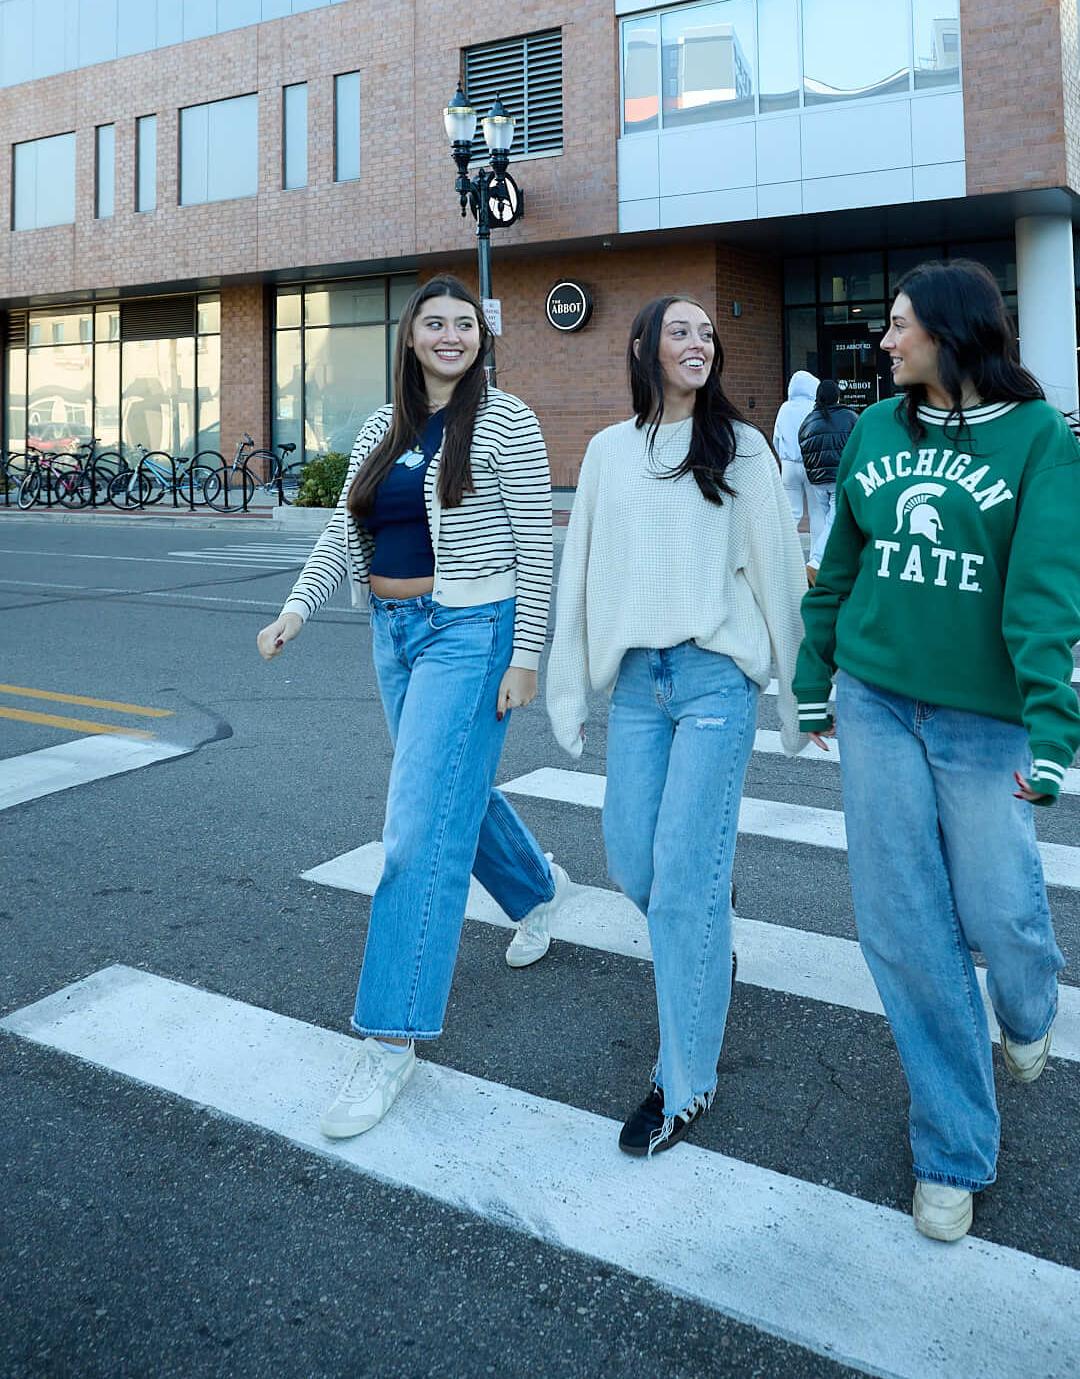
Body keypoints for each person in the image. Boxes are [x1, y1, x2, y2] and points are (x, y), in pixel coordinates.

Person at [793, 259, 1080, 1244]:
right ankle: (953, 1147)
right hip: (875, 698)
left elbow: (1047, 585)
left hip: (983, 717)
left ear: (952, 332)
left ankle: (1028, 1001)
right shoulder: (878, 429)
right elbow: (842, 563)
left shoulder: (1038, 439)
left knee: (1000, 909)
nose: (884, 340)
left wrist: (1051, 722)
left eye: (899, 324)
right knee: (904, 926)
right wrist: (812, 671)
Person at [256, 274, 573, 1142]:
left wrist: (527, 656)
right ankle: (539, 889)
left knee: (417, 827)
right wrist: (296, 609)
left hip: (471, 631)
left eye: (464, 324)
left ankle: (390, 1038)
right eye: (434, 323)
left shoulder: (505, 420)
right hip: (393, 633)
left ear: (481, 338)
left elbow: (534, 543)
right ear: (410, 336)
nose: (450, 335)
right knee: (446, 788)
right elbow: (344, 530)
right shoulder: (381, 426)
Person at [545, 295, 808, 1157]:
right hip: (636, 686)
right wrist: (567, 691)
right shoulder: (608, 452)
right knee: (634, 864)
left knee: (684, 883)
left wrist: (802, 694)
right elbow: (581, 574)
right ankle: (706, 927)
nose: (698, 342)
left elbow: (777, 572)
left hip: (712, 683)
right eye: (679, 331)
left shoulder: (741, 447)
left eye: (706, 332)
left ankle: (683, 1082)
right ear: (642, 349)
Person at [797, 377, 858, 575]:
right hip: (839, 477)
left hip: (817, 480)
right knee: (834, 520)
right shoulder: (850, 416)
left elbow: (803, 447)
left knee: (829, 520)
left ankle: (831, 560)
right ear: (837, 396)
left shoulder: (808, 420)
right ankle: (816, 560)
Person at [772, 370, 817, 536]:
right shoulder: (815, 408)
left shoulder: (785, 408)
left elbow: (776, 438)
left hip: (789, 464)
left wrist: (782, 459)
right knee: (816, 511)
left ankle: (786, 547)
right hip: (811, 462)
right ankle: (817, 551)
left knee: (792, 511)